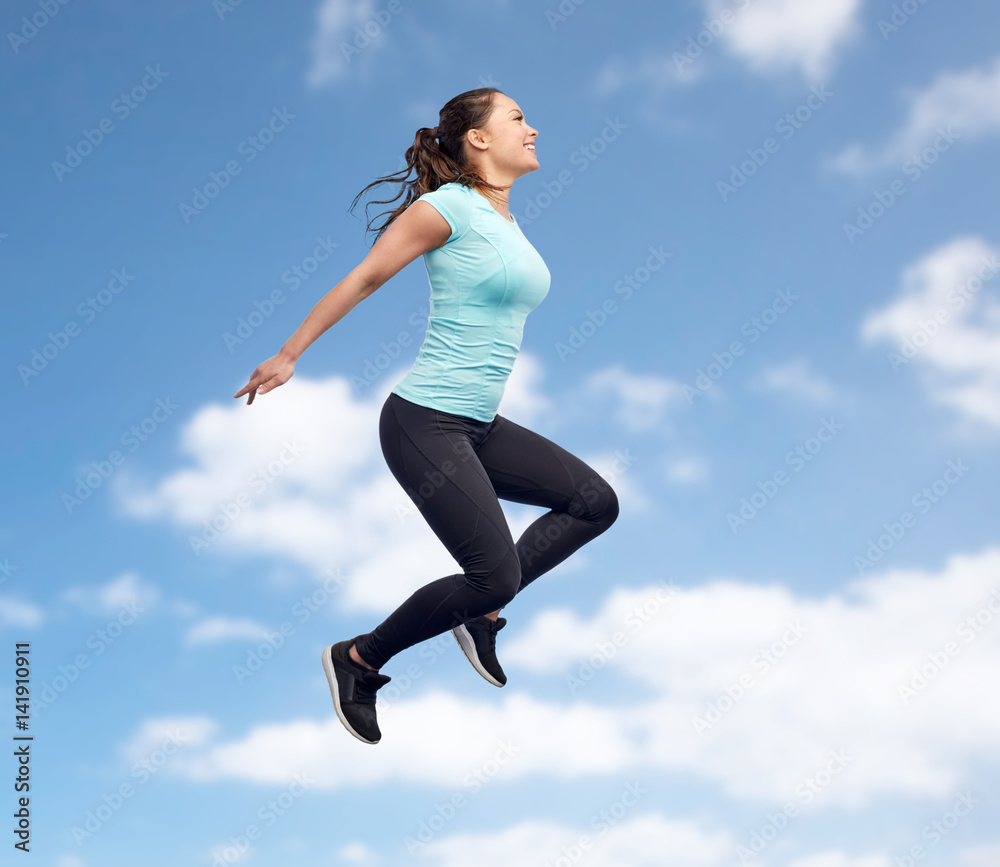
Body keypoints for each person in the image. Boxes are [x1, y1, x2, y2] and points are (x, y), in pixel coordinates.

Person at [233, 87, 619, 744]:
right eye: (518, 118)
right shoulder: (445, 209)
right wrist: (288, 352)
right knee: (491, 567)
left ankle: (483, 614)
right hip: (424, 421)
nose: (533, 128)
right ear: (478, 138)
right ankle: (357, 659)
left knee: (593, 502)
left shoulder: (507, 222)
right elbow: (364, 278)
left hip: (477, 426)